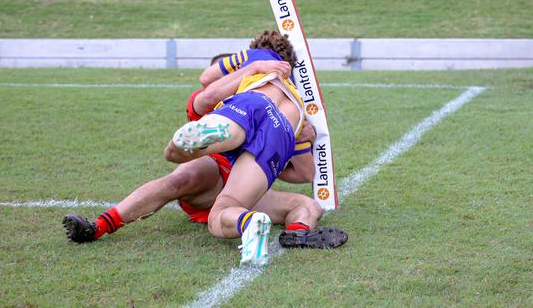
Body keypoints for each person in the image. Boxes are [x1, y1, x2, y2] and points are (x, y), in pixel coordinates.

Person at [62, 31, 347, 259]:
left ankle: (284, 229)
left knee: (179, 160)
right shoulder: (286, 92)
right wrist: (301, 138)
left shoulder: (249, 72)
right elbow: (304, 173)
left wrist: (252, 69)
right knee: (301, 203)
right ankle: (281, 227)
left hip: (233, 152)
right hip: (263, 146)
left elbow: (204, 96)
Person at [163, 31, 346, 266]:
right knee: (227, 206)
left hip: (253, 103)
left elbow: (206, 77)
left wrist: (251, 66)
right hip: (285, 128)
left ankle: (211, 133)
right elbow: (306, 174)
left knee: (175, 154)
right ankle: (265, 225)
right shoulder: (296, 97)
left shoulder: (257, 56)